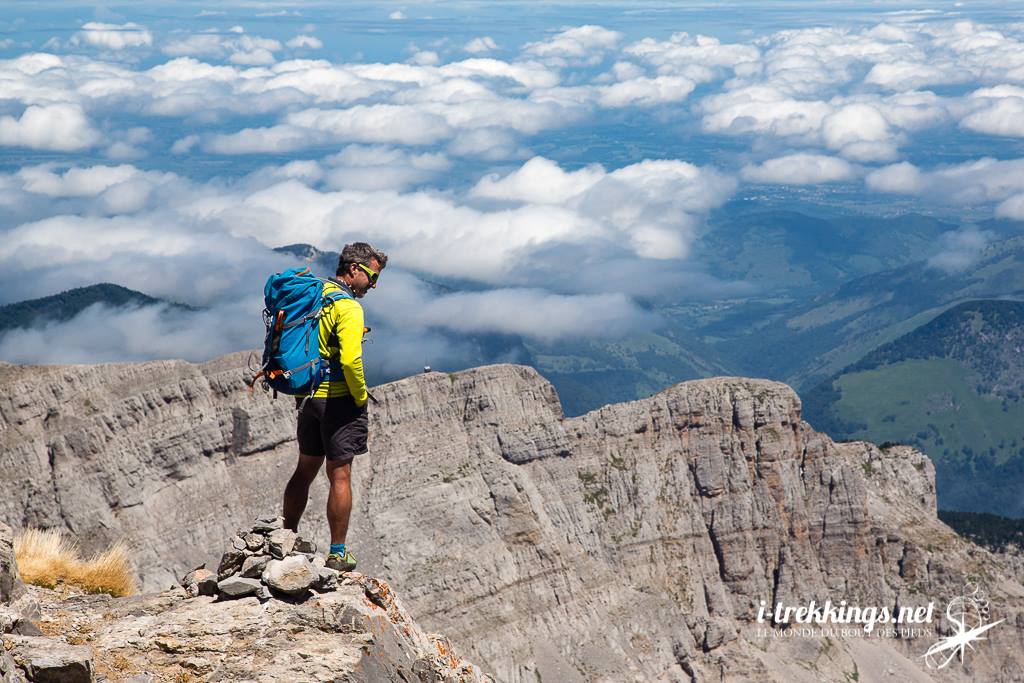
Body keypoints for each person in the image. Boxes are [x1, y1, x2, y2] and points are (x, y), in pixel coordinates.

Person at [281, 241, 387, 572]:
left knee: (305, 469)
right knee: (340, 475)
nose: (373, 285)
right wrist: (359, 397)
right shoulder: (349, 308)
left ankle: (286, 538)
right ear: (354, 270)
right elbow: (352, 360)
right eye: (372, 276)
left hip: (309, 397)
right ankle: (338, 552)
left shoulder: (315, 294)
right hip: (339, 400)